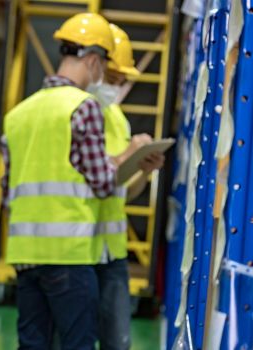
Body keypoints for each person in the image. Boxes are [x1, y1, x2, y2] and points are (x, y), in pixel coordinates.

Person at [1, 13, 151, 350]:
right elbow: (102, 183)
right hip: (70, 255)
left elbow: (8, 192)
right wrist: (132, 157)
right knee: (78, 344)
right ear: (95, 61)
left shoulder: (19, 114)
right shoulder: (83, 108)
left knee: (33, 344)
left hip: (25, 256)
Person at [90, 23, 165, 350]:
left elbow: (122, 191)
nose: (115, 88)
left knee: (117, 342)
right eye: (112, 80)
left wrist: (144, 172)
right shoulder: (77, 114)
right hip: (77, 250)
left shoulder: (117, 118)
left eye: (120, 82)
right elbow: (87, 178)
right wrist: (128, 153)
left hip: (112, 251)